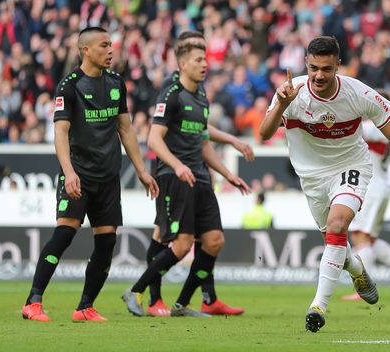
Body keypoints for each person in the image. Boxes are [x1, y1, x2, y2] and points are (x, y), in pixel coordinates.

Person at [260, 36, 390, 333]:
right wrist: (281, 106)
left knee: (338, 225)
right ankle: (356, 268)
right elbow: (264, 133)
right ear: (306, 64)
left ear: (338, 65)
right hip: (312, 179)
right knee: (334, 240)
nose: (319, 75)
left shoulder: (358, 93)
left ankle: (318, 306)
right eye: (314, 68)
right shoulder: (291, 92)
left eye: (326, 68)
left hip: (350, 167)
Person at [21, 27, 159, 322]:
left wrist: (142, 171)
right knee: (65, 232)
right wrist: (68, 171)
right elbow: (60, 132)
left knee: (107, 240)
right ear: (85, 50)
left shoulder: (116, 83)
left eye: (111, 45)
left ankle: (85, 307)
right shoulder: (69, 86)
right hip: (79, 174)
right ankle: (33, 301)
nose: (111, 50)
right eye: (104, 45)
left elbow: (126, 129)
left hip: (108, 177)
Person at [122, 32, 250, 318]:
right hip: (176, 177)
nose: (205, 64)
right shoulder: (171, 92)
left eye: (206, 58)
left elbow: (202, 140)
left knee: (214, 240)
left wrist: (228, 172)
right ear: (182, 63)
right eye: (199, 59)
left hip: (200, 177)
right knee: (177, 243)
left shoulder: (202, 96)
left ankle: (181, 304)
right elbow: (154, 139)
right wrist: (178, 166)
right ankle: (140, 291)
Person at [340, 110, 390, 302]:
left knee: (360, 237)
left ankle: (365, 286)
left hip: (372, 189)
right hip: (379, 187)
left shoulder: (376, 127)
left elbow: (353, 127)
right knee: (370, 239)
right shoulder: (384, 130)